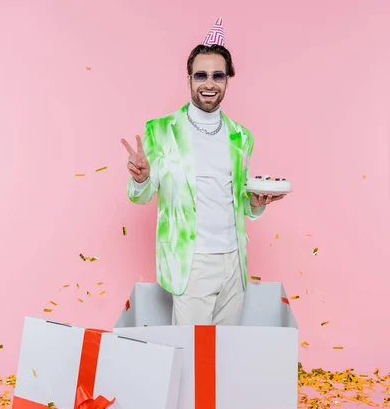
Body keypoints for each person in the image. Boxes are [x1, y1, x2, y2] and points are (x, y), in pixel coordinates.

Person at [121, 17, 285, 326]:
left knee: (224, 352)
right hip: (191, 260)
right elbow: (141, 197)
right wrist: (141, 178)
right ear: (189, 80)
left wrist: (255, 205)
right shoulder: (162, 130)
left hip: (235, 260)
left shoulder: (242, 136)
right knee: (190, 351)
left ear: (227, 80)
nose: (209, 84)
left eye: (217, 76)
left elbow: (238, 200)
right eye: (201, 75)